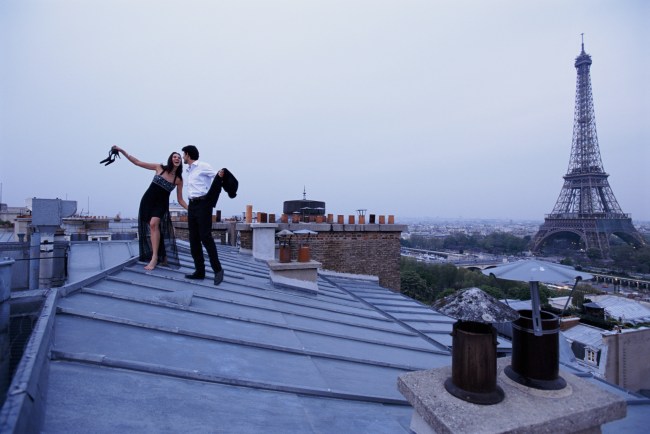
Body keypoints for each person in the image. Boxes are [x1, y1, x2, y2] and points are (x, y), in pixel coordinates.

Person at [112, 145, 187, 270]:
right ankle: (162, 255)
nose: (177, 158)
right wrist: (122, 151)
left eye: (179, 157)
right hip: (148, 201)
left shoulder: (178, 179)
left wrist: (190, 209)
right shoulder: (159, 167)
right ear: (170, 159)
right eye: (174, 156)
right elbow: (137, 162)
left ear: (180, 162)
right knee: (154, 228)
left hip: (161, 204)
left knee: (153, 224)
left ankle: (154, 257)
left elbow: (180, 199)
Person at [181, 145, 225, 285]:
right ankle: (199, 271)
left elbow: (217, 175)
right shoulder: (189, 170)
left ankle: (218, 270)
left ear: (188, 155)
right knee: (193, 239)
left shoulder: (203, 166)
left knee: (205, 237)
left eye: (183, 154)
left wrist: (220, 174)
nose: (183, 157)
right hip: (192, 205)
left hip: (203, 204)